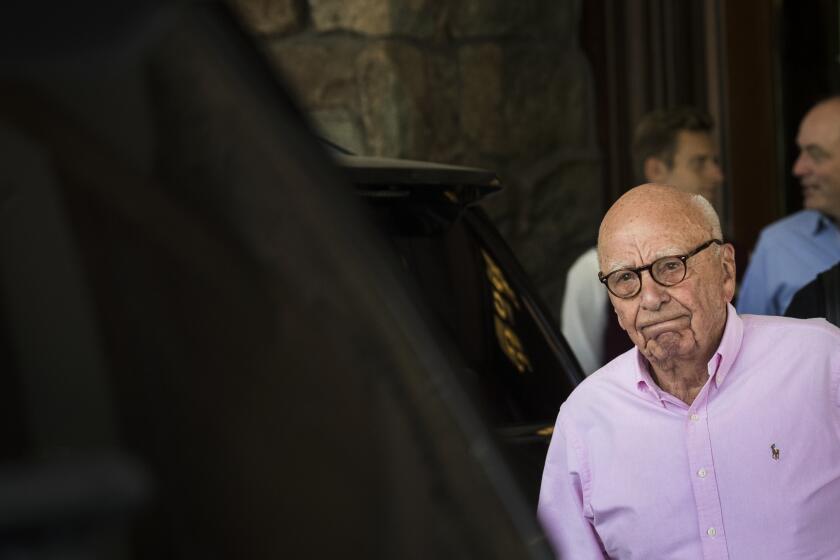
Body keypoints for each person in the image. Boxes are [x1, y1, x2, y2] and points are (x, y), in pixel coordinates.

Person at [539, 184, 840, 559]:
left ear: (725, 272)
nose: (650, 299)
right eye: (625, 279)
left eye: (670, 266)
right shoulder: (584, 420)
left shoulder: (822, 361)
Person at [562, 107, 723, 374]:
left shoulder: (727, 253)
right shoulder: (591, 270)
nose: (716, 175)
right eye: (699, 163)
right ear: (656, 169)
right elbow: (579, 375)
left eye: (714, 162)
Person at [737, 96, 840, 316]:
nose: (798, 169)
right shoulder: (778, 245)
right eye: (801, 152)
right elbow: (752, 345)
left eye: (815, 154)